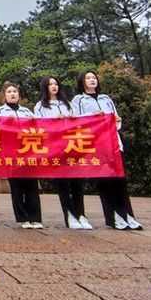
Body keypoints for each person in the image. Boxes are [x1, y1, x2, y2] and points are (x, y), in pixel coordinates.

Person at [72, 70, 143, 231]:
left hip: (113, 143)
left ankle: (128, 215)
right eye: (88, 78)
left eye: (94, 78)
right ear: (82, 82)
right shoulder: (78, 100)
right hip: (96, 145)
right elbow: (76, 121)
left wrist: (117, 120)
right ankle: (113, 217)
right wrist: (93, 115)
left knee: (120, 180)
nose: (92, 80)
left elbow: (117, 121)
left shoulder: (106, 99)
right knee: (105, 181)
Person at [34, 75, 92, 230]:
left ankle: (81, 214)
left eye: (56, 84)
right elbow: (39, 127)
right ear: (45, 87)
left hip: (72, 146)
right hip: (56, 148)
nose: (54, 87)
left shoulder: (68, 104)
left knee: (77, 183)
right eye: (50, 84)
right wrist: (54, 120)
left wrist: (73, 118)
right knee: (63, 184)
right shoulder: (40, 106)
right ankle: (70, 215)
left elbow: (81, 123)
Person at [0, 82, 43, 229]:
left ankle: (35, 217)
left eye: (15, 92)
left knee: (31, 186)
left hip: (28, 152)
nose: (12, 94)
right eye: (9, 92)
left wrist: (33, 124)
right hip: (11, 153)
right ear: (4, 96)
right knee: (17, 187)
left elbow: (39, 129)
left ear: (19, 95)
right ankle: (22, 218)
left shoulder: (27, 112)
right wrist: (6, 124)